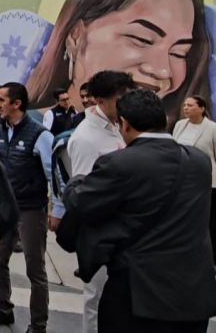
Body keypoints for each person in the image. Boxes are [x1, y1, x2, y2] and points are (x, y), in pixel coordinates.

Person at [59, 89, 216, 332]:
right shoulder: (199, 161)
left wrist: (76, 179)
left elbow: (80, 202)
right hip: (193, 294)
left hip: (139, 294)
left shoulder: (121, 162)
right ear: (164, 120)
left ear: (124, 124)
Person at [26, 0, 211, 127]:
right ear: (76, 36)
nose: (163, 70)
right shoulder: (31, 129)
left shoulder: (175, 137)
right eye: (143, 39)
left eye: (180, 53)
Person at [54, 70, 135, 333]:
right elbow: (86, 195)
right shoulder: (86, 138)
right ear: (99, 100)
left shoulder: (117, 126)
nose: (126, 103)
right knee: (97, 299)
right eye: (119, 98)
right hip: (101, 232)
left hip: (124, 228)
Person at [0, 82, 53, 332]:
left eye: (2, 100)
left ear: (16, 104)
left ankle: (38, 324)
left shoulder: (40, 135)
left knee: (34, 268)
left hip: (30, 209)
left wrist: (56, 211)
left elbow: (53, 175)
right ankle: (4, 308)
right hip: (4, 208)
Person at [173, 95, 216, 274]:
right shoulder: (180, 125)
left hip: (208, 182)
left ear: (202, 108)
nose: (186, 108)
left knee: (210, 221)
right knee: (184, 219)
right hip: (184, 180)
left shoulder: (214, 129)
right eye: (185, 105)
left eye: (190, 105)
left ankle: (214, 260)